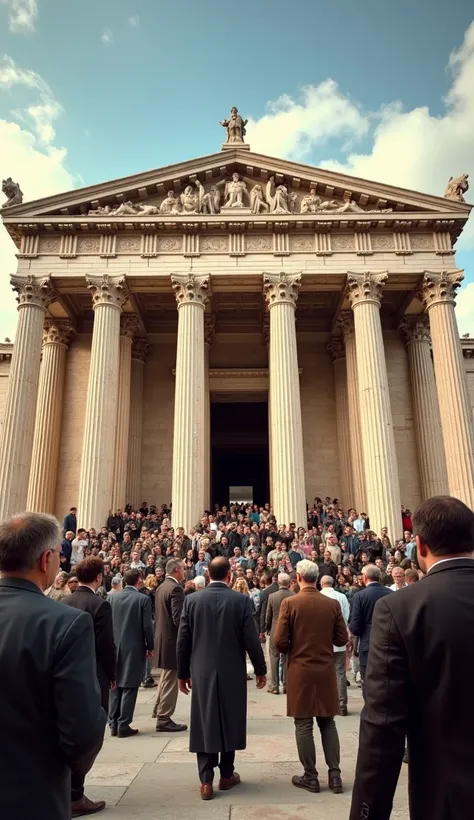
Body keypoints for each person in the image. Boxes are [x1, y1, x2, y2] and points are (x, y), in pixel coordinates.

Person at [350, 496, 474, 820]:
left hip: (449, 800)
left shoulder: (400, 608)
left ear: (419, 545)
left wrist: (367, 814)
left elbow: (383, 725)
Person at [0, 512, 105, 820]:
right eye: (60, 554)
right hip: (31, 794)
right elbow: (82, 732)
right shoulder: (66, 623)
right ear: (46, 559)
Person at [177, 557, 266, 800]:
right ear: (229, 574)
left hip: (202, 670)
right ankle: (227, 775)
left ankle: (206, 781)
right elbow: (251, 638)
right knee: (230, 718)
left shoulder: (192, 600)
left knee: (205, 719)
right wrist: (260, 669)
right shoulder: (240, 601)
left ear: (208, 574)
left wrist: (182, 673)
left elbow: (183, 640)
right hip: (232, 669)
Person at [274, 559, 347, 795]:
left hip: (300, 669)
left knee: (303, 723)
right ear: (317, 577)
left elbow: (279, 642)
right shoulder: (332, 604)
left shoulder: (290, 603)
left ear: (298, 577)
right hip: (324, 668)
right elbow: (341, 639)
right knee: (328, 721)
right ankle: (335, 775)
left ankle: (311, 776)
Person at [64, 556, 116, 816]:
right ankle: (76, 793)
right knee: (91, 734)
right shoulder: (100, 605)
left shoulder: (65, 601)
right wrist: (113, 673)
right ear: (98, 577)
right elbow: (106, 646)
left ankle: (67, 789)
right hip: (93, 676)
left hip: (65, 675)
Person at [108, 569, 154, 737]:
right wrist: (150, 646)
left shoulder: (112, 597)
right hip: (134, 646)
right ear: (139, 580)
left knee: (115, 684)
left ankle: (112, 723)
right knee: (130, 685)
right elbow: (147, 626)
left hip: (114, 644)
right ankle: (123, 724)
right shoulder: (142, 599)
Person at [152, 557, 188, 732]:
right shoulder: (175, 589)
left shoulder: (161, 587)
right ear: (176, 570)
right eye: (183, 568)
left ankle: (158, 709)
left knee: (166, 677)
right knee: (170, 679)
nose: (184, 571)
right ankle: (164, 717)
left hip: (162, 638)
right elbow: (178, 618)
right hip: (172, 641)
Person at [348, 564, 392, 696]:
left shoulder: (360, 596)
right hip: (389, 642)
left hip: (368, 643)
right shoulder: (391, 594)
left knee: (368, 680)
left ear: (364, 577)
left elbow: (355, 626)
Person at [320, 575, 350, 716]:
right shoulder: (341, 597)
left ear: (321, 583)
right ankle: (342, 704)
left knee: (324, 672)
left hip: (322, 641)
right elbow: (346, 615)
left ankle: (326, 704)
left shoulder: (318, 596)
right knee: (340, 673)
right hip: (338, 639)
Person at [265, 572, 294, 694]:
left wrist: (267, 628)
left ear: (278, 582)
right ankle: (287, 685)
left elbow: (268, 615)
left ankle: (274, 686)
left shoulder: (272, 596)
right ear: (289, 583)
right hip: (289, 629)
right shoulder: (294, 595)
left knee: (274, 657)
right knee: (287, 657)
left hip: (275, 628)